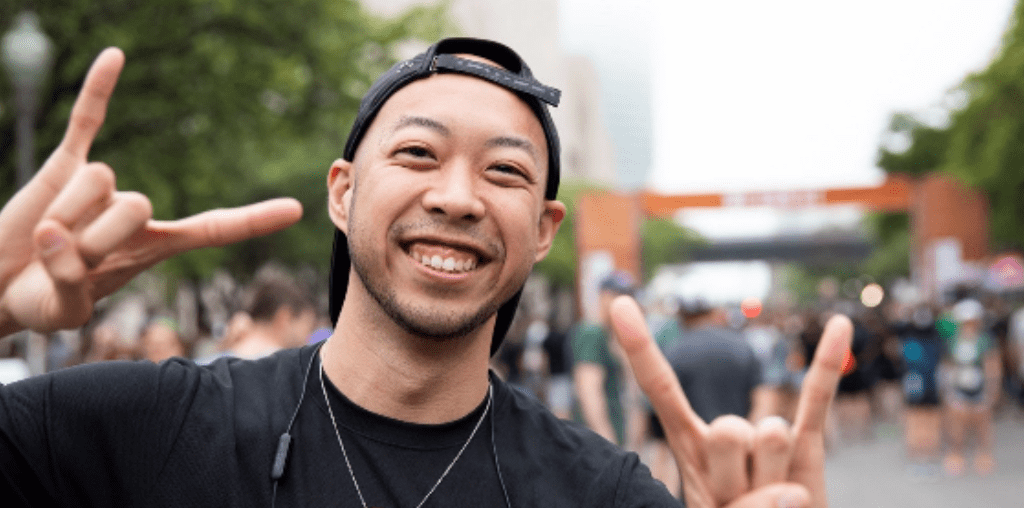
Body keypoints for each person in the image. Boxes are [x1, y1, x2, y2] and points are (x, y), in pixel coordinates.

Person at [0, 38, 853, 508]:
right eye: (417, 154)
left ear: (546, 229)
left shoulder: (600, 495)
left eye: (506, 173)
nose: (457, 197)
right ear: (344, 192)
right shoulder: (147, 427)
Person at [572, 271, 636, 446]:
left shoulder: (608, 334)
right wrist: (606, 439)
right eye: (619, 296)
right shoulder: (592, 333)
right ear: (604, 297)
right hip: (598, 441)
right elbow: (588, 390)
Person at [942, 298, 1001, 476]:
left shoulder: (985, 340)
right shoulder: (953, 340)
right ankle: (956, 454)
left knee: (982, 423)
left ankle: (983, 455)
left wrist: (993, 387)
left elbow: (993, 365)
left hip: (980, 387)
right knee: (957, 423)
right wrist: (947, 388)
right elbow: (948, 365)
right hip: (959, 387)